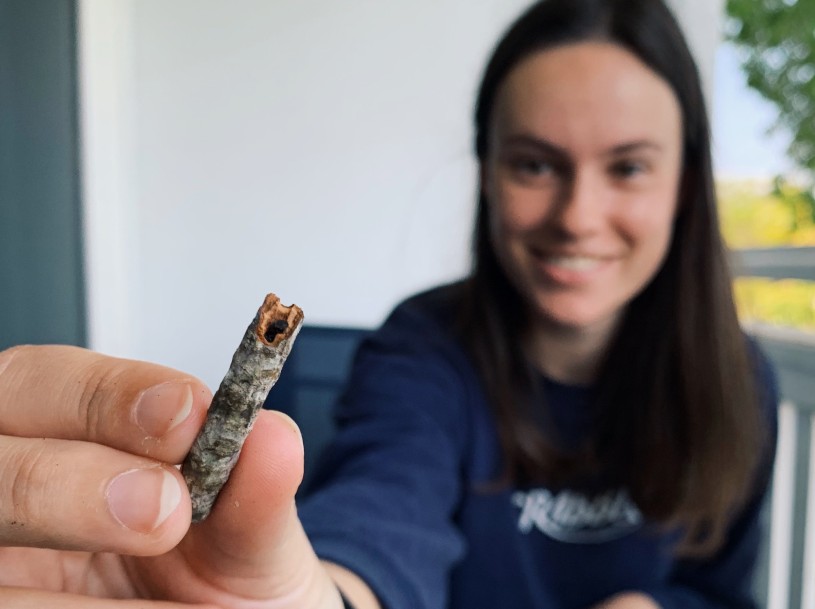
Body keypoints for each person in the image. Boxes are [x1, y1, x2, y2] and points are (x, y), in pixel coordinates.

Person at [0, 0, 778, 608]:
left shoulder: (740, 380)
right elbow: (375, 523)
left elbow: (721, 589)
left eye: (628, 167)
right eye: (534, 165)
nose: (576, 215)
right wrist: (310, 596)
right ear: (486, 174)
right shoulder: (421, 351)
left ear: (684, 184)